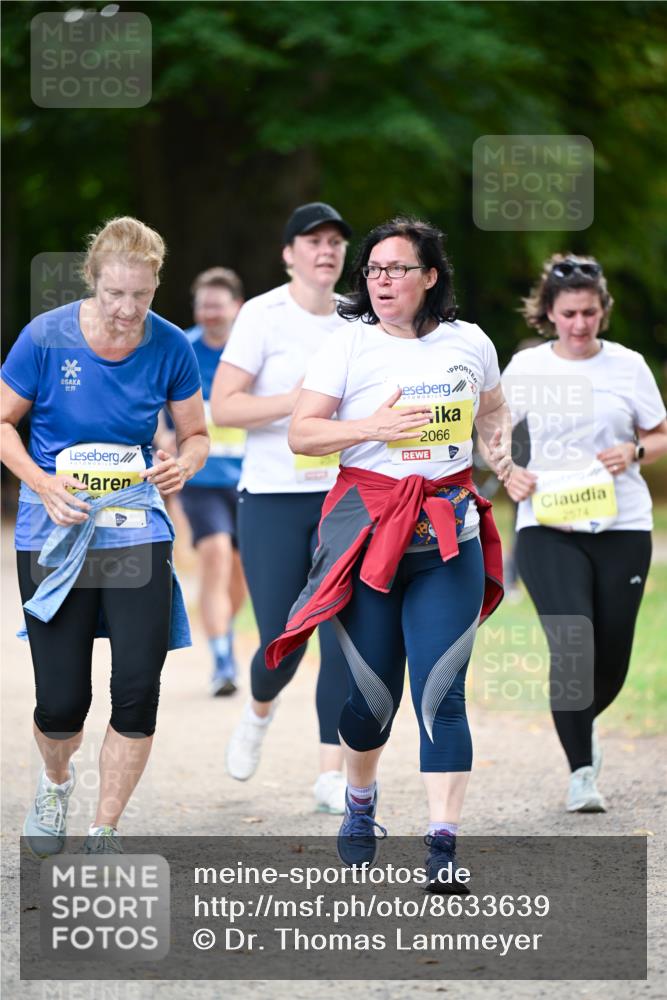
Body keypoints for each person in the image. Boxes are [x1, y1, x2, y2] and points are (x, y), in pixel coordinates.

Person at [267, 217, 511, 888]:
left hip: (446, 531)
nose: (380, 281)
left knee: (442, 695)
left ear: (429, 276)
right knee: (371, 703)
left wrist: (499, 452)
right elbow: (302, 433)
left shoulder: (470, 343)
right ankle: (360, 799)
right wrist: (370, 426)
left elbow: (492, 409)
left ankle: (441, 848)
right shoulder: (348, 346)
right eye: (372, 270)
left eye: (396, 269)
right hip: (368, 530)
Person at [0, 216, 208, 855]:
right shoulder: (46, 337)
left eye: (141, 296)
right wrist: (42, 482)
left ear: (155, 287)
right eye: (115, 293)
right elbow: (4, 424)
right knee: (61, 702)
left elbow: (197, 435)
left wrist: (184, 462)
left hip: (134, 527)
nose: (127, 309)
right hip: (53, 529)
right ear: (93, 281)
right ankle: (56, 782)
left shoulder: (171, 346)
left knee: (137, 687)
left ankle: (104, 827)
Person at [501, 254, 667, 812]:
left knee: (612, 659)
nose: (580, 323)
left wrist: (636, 450)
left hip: (622, 523)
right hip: (548, 525)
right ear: (549, 312)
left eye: (589, 312)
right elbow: (492, 432)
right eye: (569, 312)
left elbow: (661, 433)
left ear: (603, 312)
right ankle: (581, 773)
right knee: (573, 645)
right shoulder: (525, 370)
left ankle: (580, 724)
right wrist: (507, 471)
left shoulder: (628, 366)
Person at [210, 202, 353, 814]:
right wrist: (298, 405)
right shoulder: (261, 315)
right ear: (289, 253)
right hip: (271, 496)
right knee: (284, 638)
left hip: (345, 497)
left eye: (336, 243)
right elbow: (224, 407)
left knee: (346, 635)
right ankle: (259, 710)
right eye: (313, 241)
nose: (326, 251)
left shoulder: (358, 318)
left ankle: (330, 772)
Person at [164, 267, 247, 696]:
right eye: (203, 305)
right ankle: (221, 660)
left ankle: (224, 632)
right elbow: (161, 415)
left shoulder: (250, 352)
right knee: (214, 556)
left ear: (236, 306)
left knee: (240, 577)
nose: (210, 313)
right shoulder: (183, 348)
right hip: (201, 478)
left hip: (251, 482)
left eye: (218, 305)